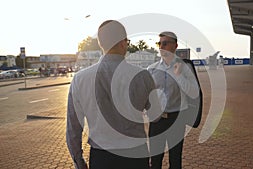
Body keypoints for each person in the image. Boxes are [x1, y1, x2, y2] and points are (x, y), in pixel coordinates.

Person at [66, 20, 160, 169]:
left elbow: (73, 127)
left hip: (101, 157)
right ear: (123, 43)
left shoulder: (80, 79)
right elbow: (155, 115)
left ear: (101, 43)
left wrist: (79, 160)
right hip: (136, 155)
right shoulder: (143, 76)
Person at [147, 31, 200, 169]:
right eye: (159, 43)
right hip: (157, 120)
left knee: (175, 160)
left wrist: (178, 75)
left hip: (177, 119)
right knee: (155, 160)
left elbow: (194, 93)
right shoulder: (152, 69)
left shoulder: (185, 67)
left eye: (165, 43)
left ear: (175, 46)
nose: (161, 47)